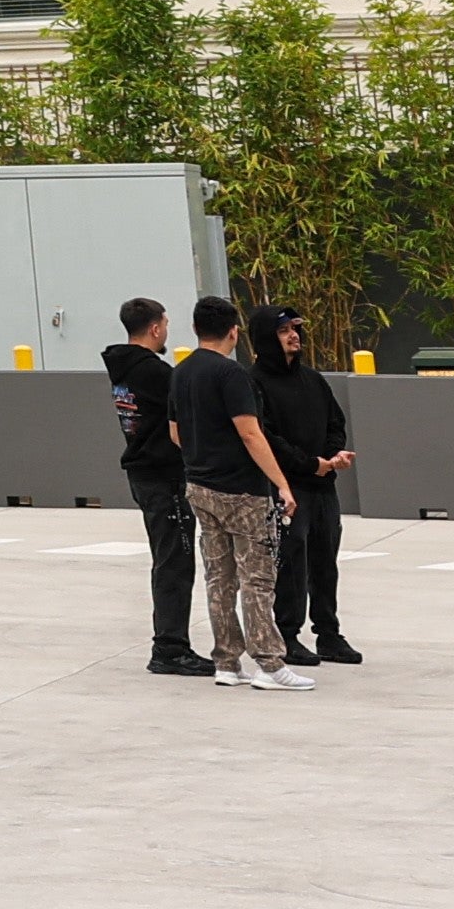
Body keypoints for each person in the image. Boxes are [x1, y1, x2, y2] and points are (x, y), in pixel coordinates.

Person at [167, 294, 306, 688]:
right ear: (234, 331)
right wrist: (281, 482)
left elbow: (175, 433)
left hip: (199, 485)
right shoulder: (232, 376)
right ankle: (270, 663)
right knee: (257, 578)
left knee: (219, 577)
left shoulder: (180, 372)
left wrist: (202, 458)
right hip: (242, 490)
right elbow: (249, 432)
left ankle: (227, 662)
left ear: (195, 330)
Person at [253, 304, 363, 664]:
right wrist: (308, 464)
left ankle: (328, 633)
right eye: (285, 331)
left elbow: (336, 421)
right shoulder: (254, 383)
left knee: (324, 560)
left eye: (296, 329)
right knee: (291, 561)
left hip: (322, 485)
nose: (294, 336)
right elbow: (265, 436)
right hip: (287, 487)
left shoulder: (313, 379)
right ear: (267, 338)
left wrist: (332, 457)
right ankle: (287, 635)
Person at [102, 293, 200, 676]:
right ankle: (170, 648)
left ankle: (171, 644)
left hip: (143, 473)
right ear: (156, 327)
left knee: (168, 556)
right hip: (164, 475)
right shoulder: (157, 374)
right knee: (175, 560)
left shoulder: (123, 368)